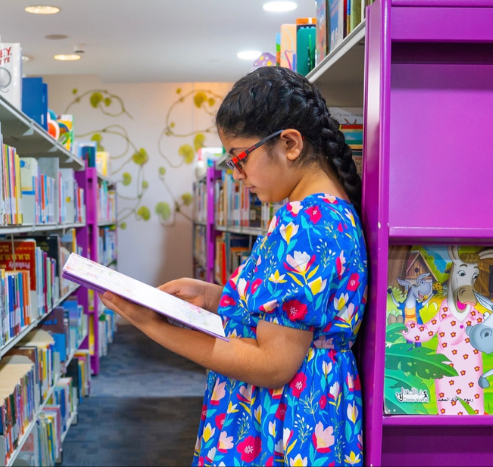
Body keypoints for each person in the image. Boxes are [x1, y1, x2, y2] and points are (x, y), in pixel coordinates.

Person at [100, 67, 367, 467]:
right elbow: (297, 318)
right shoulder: (325, 214)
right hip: (309, 412)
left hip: (286, 420)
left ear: (290, 143)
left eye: (241, 159)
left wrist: (154, 326)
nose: (238, 176)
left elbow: (273, 363)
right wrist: (216, 297)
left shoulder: (306, 224)